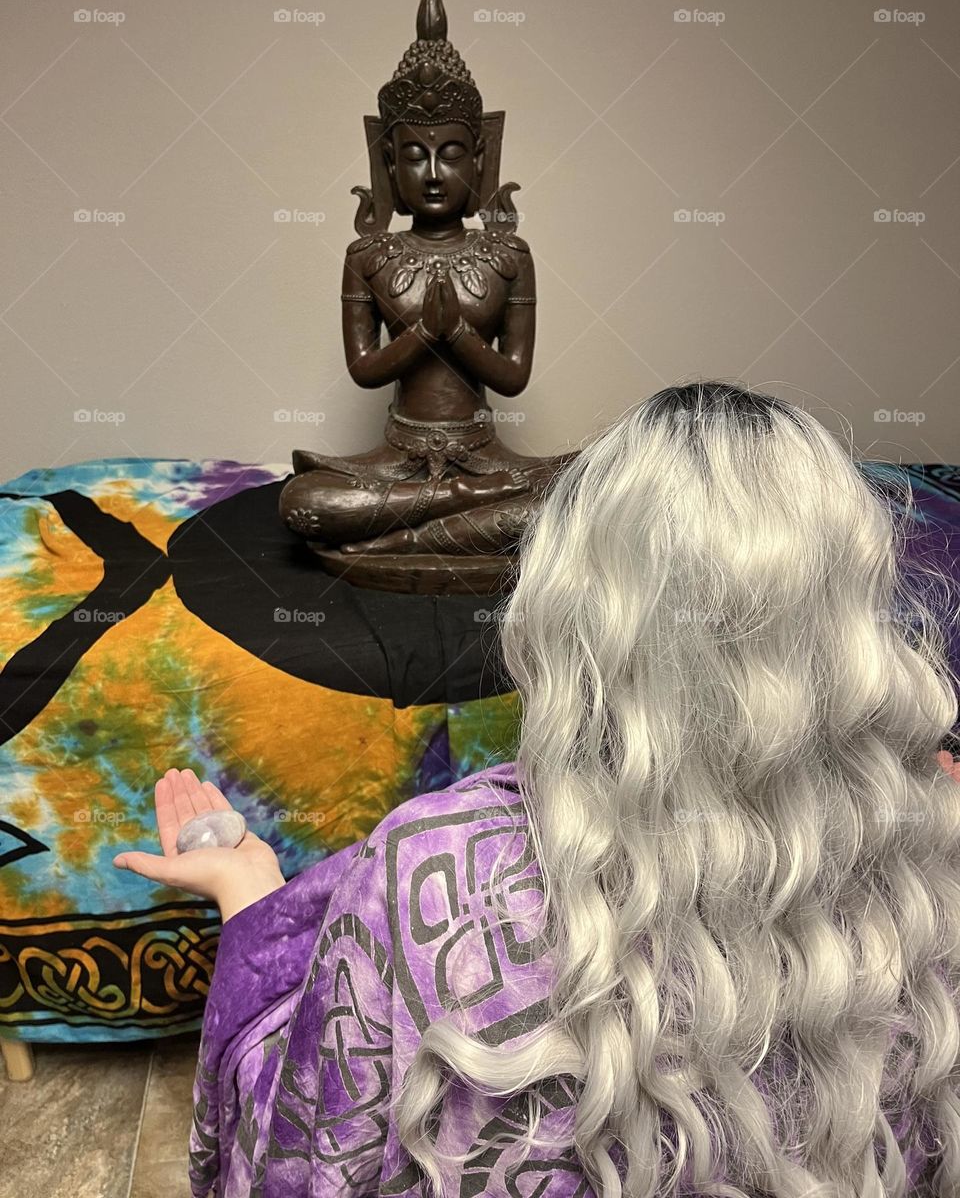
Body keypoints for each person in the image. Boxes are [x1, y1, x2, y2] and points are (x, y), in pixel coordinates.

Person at [114, 381, 960, 1197]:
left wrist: (250, 899)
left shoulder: (428, 868)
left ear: (568, 602)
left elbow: (298, 1165)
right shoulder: (930, 844)